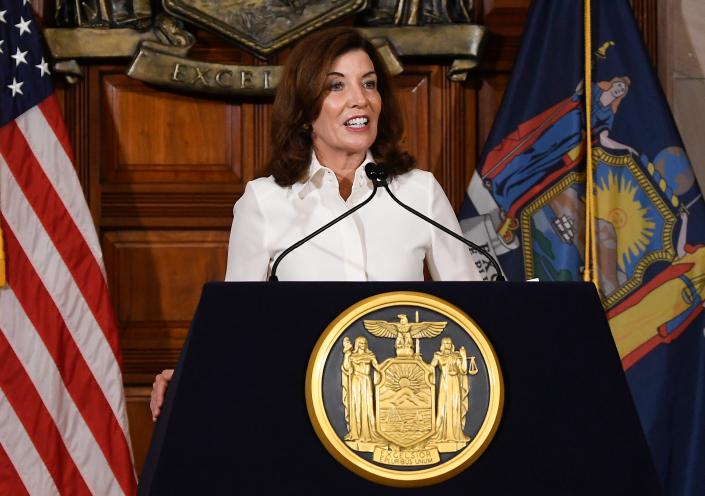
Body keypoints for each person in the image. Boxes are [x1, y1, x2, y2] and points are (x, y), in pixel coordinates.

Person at [150, 27, 481, 420]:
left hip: (404, 410)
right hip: (301, 408)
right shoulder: (265, 201)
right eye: (336, 87)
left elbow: (473, 310)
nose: (360, 100)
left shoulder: (418, 192)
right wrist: (188, 374)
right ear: (306, 110)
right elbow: (235, 325)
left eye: (370, 84)